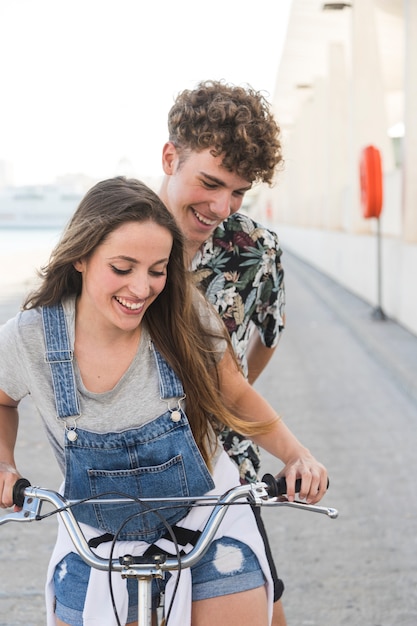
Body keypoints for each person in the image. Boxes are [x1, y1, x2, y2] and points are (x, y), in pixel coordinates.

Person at [0, 177, 327, 626]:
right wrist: (5, 463)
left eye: (157, 270)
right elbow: (2, 400)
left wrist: (297, 456)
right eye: (122, 267)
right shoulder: (29, 336)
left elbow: (234, 393)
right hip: (96, 533)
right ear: (81, 255)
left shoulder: (182, 315)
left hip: (205, 516)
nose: (141, 289)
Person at [159, 80, 287, 624]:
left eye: (238, 192)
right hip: (124, 466)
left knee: (264, 604)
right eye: (210, 183)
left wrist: (230, 395)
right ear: (170, 157)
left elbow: (269, 336)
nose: (221, 207)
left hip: (224, 463)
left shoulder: (258, 248)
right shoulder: (112, 233)